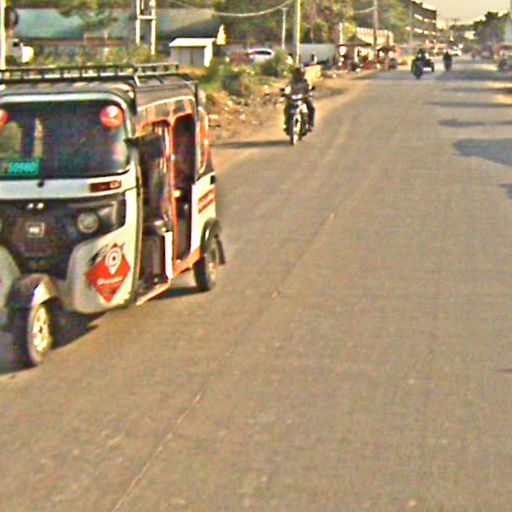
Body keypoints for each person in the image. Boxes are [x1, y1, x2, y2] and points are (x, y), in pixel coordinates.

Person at [285, 65, 315, 130]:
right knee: (286, 108)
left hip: (303, 98)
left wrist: (309, 93)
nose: (299, 75)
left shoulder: (306, 81)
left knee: (311, 108)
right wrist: (286, 93)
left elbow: (309, 88)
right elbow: (287, 88)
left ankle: (310, 124)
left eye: (300, 74)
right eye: (297, 73)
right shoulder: (291, 81)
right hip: (293, 98)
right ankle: (287, 122)